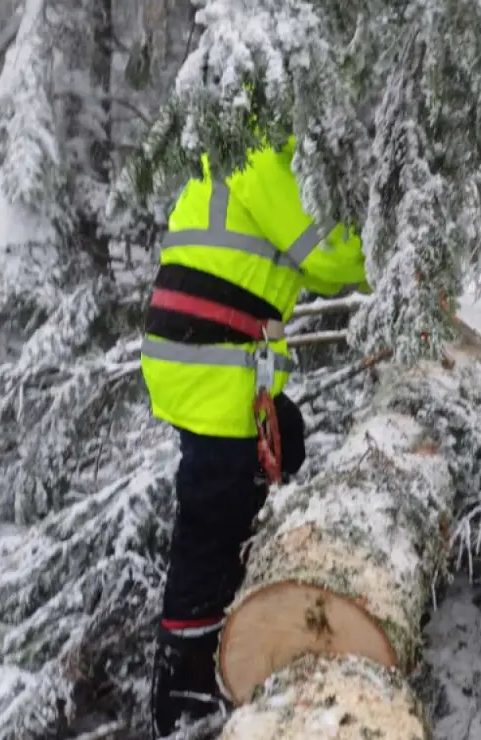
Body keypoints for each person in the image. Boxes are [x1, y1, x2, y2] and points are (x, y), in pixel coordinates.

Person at [139, 133, 369, 738]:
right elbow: (322, 255)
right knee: (214, 519)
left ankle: (246, 612)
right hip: (211, 361)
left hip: (208, 354)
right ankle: (183, 693)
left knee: (282, 443)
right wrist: (396, 245)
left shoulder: (240, 133)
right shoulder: (262, 145)